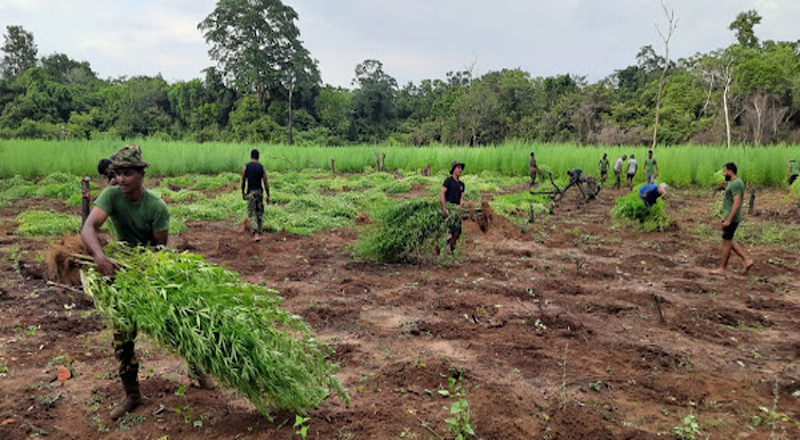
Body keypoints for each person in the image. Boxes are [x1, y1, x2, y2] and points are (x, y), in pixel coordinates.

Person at [81, 145, 215, 420]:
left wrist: (145, 273)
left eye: (128, 173)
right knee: (123, 337)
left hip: (150, 270)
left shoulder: (157, 207)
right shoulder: (110, 196)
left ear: (142, 175)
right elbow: (88, 227)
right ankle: (132, 395)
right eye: (117, 174)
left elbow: (159, 251)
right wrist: (100, 257)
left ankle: (196, 367)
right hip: (120, 273)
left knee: (176, 324)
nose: (121, 179)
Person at [713, 162, 754, 275]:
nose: (724, 174)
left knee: (727, 242)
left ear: (730, 171)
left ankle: (722, 269)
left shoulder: (736, 184)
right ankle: (746, 260)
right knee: (728, 240)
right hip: (730, 217)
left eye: (725, 171)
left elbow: (737, 203)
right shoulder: (734, 183)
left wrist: (728, 220)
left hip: (732, 218)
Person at [241, 149, 270, 242]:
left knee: (252, 213)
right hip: (259, 193)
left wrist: (243, 192)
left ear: (251, 156)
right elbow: (265, 182)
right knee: (259, 212)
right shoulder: (262, 167)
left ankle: (256, 233)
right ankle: (260, 231)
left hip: (251, 193)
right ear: (258, 156)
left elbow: (243, 180)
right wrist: (268, 194)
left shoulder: (246, 167)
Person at [440, 160, 466, 252]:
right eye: (458, 168)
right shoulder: (448, 181)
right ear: (454, 169)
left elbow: (462, 198)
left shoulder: (462, 185)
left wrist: (461, 208)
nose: (460, 170)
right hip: (449, 209)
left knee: (458, 233)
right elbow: (442, 193)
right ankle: (452, 252)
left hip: (457, 210)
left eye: (461, 168)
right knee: (454, 231)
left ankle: (442, 245)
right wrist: (444, 208)